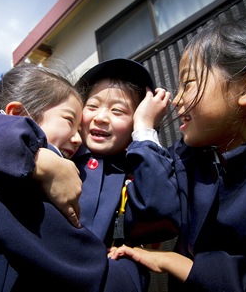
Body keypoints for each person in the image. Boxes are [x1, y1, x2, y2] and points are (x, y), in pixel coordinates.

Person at [108, 9, 246, 291]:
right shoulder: (190, 158)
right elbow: (151, 211)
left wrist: (174, 262)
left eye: (188, 83)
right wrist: (144, 130)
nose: (178, 100)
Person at [0, 64, 149, 291]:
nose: (78, 139)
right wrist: (140, 265)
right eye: (68, 120)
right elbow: (102, 278)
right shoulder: (17, 200)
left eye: (79, 128)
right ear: (17, 114)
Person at [73, 58, 180, 248]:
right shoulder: (59, 155)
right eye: (92, 106)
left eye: (117, 110)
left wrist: (145, 127)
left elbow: (161, 215)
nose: (100, 117)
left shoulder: (138, 174)